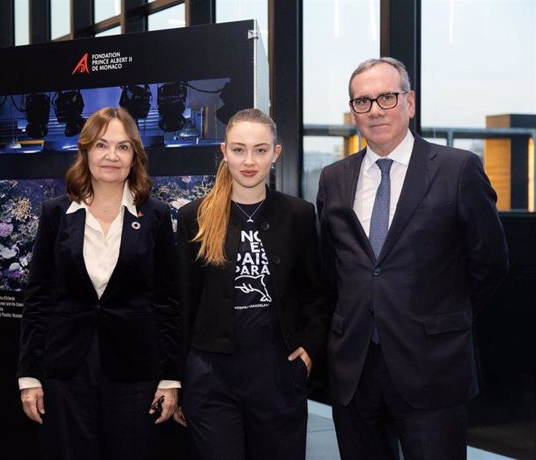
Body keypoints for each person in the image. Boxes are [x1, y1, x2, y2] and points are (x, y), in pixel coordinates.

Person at [317, 57, 509, 460]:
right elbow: (331, 267)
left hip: (432, 366)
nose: (375, 110)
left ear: (410, 102)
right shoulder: (334, 177)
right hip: (353, 367)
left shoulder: (458, 169)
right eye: (363, 101)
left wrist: (443, 318)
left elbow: (490, 262)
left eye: (387, 97)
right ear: (353, 112)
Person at [17, 107, 181, 460]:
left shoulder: (156, 215)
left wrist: (170, 378)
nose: (111, 156)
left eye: (123, 147)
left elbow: (168, 301)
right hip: (67, 369)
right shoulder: (55, 214)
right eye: (102, 145)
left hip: (135, 370)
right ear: (86, 151)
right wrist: (29, 376)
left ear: (134, 156)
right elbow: (39, 299)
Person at [175, 108, 330, 459]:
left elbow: (317, 293)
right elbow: (182, 303)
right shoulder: (194, 217)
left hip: (277, 372)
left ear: (276, 153)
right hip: (210, 376)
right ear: (224, 152)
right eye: (239, 149)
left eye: (260, 150)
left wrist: (309, 348)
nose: (249, 160)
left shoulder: (299, 215)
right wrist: (180, 379)